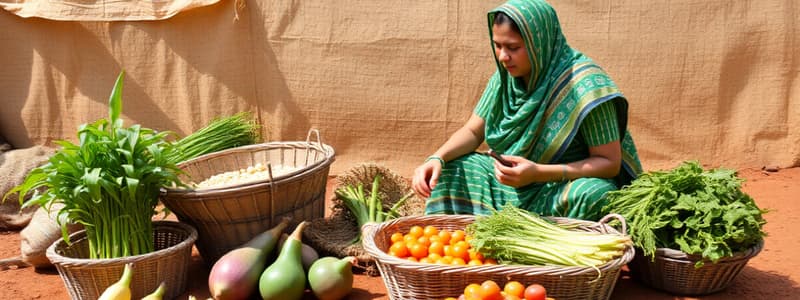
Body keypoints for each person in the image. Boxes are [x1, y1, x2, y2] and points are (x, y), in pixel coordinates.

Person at [411, 0, 643, 221]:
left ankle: (547, 251)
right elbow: (473, 131)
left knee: (596, 194)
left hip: (558, 190)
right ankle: (466, 244)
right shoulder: (506, 81)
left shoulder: (585, 86)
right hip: (510, 185)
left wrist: (537, 173)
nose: (503, 57)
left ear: (538, 44)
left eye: (513, 47)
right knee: (452, 169)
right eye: (498, 45)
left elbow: (609, 162)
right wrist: (437, 158)